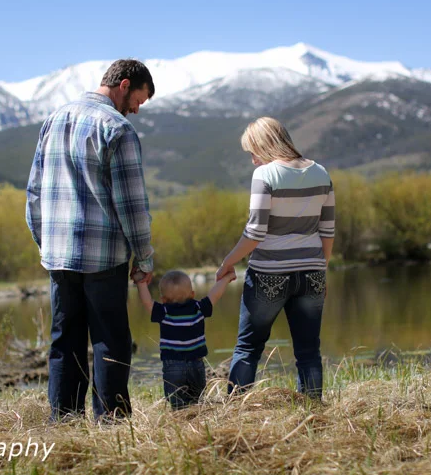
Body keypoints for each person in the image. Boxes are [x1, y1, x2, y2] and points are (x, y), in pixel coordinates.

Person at [26, 59, 155, 420]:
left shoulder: (54, 119)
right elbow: (132, 204)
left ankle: (63, 421)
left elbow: (33, 193)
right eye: (138, 101)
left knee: (64, 342)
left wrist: (45, 244)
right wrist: (144, 258)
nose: (136, 110)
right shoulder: (118, 128)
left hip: (58, 255)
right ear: (124, 85)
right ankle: (111, 423)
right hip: (103, 257)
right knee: (110, 340)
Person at [216, 117, 335, 400]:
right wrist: (322, 270)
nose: (253, 160)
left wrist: (228, 262)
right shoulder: (321, 173)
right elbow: (327, 231)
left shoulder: (266, 175)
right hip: (312, 273)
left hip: (269, 274)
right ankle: (312, 412)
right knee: (308, 351)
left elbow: (255, 232)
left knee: (248, 348)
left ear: (263, 145)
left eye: (253, 152)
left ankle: (237, 411)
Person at [135, 270, 236, 409]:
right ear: (192, 294)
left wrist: (141, 283)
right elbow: (214, 295)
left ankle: (179, 422)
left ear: (163, 299)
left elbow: (147, 302)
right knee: (197, 402)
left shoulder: (163, 312)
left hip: (173, 366)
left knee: (177, 405)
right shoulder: (198, 308)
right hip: (196, 365)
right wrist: (226, 279)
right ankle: (195, 423)